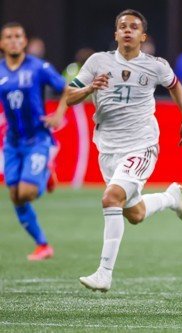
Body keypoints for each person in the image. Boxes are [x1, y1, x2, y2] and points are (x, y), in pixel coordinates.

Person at [66, 9, 182, 292]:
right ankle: (170, 198)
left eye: (133, 27)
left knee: (111, 198)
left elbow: (175, 86)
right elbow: (68, 95)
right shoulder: (97, 62)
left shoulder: (155, 65)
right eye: (122, 26)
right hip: (107, 149)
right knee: (133, 214)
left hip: (142, 144)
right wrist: (89, 88)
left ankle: (104, 273)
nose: (127, 30)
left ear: (142, 35)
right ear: (115, 34)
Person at [0, 22, 68, 260]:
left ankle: (47, 171)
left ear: (25, 41)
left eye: (18, 36)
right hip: (12, 142)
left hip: (38, 138)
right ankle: (43, 245)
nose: (13, 40)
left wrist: (59, 115)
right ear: (2, 43)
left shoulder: (38, 67)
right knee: (15, 196)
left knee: (27, 193)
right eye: (8, 36)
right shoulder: (0, 71)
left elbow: (66, 88)